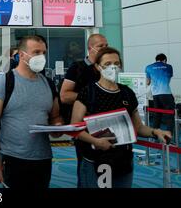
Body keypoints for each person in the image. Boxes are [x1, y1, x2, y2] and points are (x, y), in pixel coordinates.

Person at [71, 47, 171, 188]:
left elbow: (138, 127)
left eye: (116, 63)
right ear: (98, 67)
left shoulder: (127, 93)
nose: (113, 67)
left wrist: (155, 132)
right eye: (107, 64)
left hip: (123, 160)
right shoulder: (88, 92)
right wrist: (95, 141)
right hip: (95, 159)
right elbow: (75, 128)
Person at [0, 36, 63, 189]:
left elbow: (55, 116)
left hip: (43, 158)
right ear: (21, 55)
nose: (41, 57)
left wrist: (57, 126)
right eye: (36, 52)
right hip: (13, 158)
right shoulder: (4, 81)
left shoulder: (48, 84)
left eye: (44, 53)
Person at [59, 33, 108, 187]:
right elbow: (64, 95)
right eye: (100, 46)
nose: (104, 49)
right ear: (90, 48)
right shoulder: (78, 67)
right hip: (84, 126)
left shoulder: (106, 68)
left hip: (105, 124)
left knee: (105, 167)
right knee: (87, 167)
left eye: (106, 46)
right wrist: (92, 97)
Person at [145, 53, 176, 133]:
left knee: (157, 115)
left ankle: (155, 135)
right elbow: (168, 80)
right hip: (166, 93)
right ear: (165, 60)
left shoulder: (148, 67)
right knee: (170, 116)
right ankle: (169, 136)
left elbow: (148, 82)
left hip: (155, 95)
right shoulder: (169, 66)